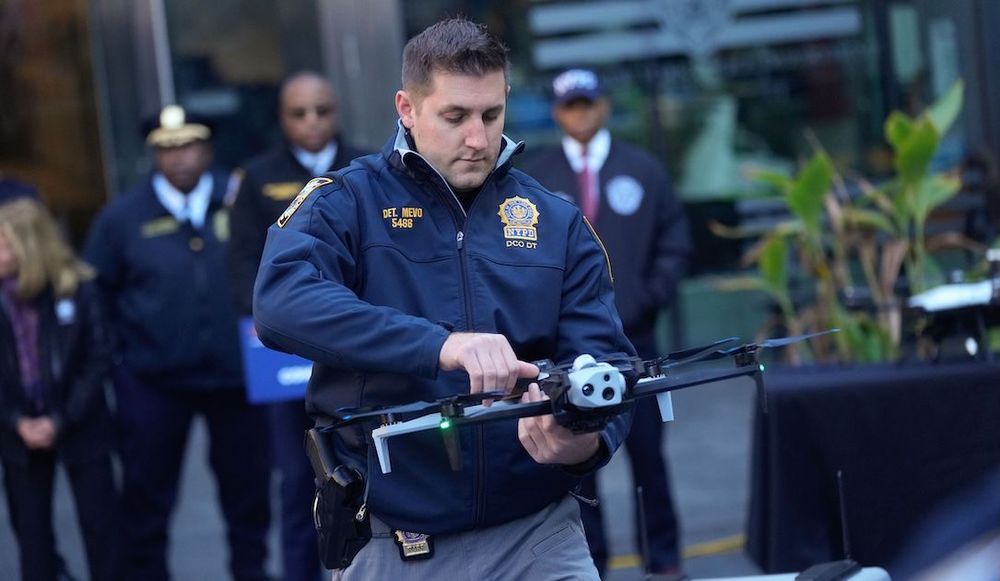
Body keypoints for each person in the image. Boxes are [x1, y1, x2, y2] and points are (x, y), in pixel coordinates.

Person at [253, 17, 635, 580]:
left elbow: (610, 363)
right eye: (455, 117)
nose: (478, 139)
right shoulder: (345, 202)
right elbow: (280, 302)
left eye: (491, 115)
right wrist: (441, 346)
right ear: (406, 108)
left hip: (540, 533)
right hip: (393, 540)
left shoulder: (555, 220)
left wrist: (582, 439)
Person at [82, 105, 271, 581]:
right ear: (153, 154)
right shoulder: (122, 217)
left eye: (188, 145)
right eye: (167, 148)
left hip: (237, 378)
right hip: (152, 381)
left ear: (208, 148)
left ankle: (251, 573)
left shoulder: (240, 201)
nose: (179, 157)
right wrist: (117, 361)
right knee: (146, 496)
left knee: (248, 493)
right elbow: (94, 295)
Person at [520, 68, 692, 576]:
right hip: (567, 349)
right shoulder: (537, 179)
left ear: (605, 107)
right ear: (557, 113)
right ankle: (591, 563)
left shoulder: (642, 169)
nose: (580, 114)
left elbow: (674, 241)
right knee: (578, 460)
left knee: (648, 458)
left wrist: (647, 298)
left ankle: (663, 561)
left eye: (588, 104)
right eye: (570, 106)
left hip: (636, 339)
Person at [229, 71, 368, 581]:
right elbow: (242, 262)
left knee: (366, 475)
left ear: (337, 112)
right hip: (286, 357)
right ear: (281, 118)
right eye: (299, 113)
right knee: (296, 483)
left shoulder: (367, 167)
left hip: (354, 348)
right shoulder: (255, 177)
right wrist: (272, 319)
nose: (312, 122)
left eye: (322, 111)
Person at [0, 196, 122, 581]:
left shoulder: (78, 288)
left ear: (30, 246)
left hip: (82, 425)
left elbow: (98, 359)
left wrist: (60, 419)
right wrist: (16, 421)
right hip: (18, 434)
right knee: (32, 537)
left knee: (103, 531)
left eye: (4, 245)